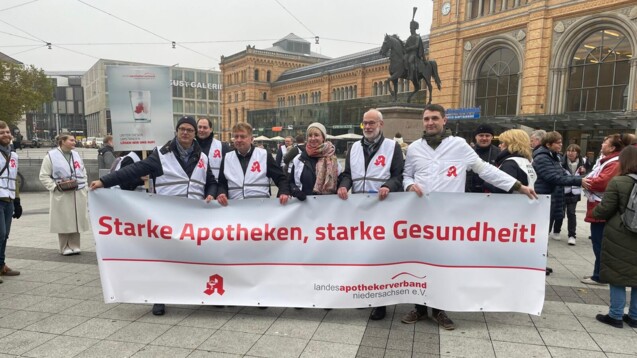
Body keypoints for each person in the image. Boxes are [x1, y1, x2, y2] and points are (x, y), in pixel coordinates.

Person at [401, 104, 537, 330]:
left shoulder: (459, 146)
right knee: (421, 262)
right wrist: (409, 184)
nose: (430, 123)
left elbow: (484, 169)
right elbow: (407, 174)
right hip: (421, 218)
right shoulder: (415, 148)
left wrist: (516, 185)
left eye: (434, 118)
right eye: (426, 119)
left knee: (443, 264)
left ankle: (440, 309)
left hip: (449, 219)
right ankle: (419, 307)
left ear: (444, 120)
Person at [90, 116, 218, 316]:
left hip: (194, 218)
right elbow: (134, 170)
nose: (185, 133)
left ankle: (205, 293)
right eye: (182, 129)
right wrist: (104, 181)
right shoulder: (161, 154)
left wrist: (211, 191)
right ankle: (160, 297)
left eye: (189, 130)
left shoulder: (203, 157)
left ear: (194, 134)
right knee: (165, 258)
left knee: (198, 257)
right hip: (166, 216)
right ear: (176, 131)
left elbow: (210, 180)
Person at [337, 109, 404, 321]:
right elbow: (347, 174)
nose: (367, 127)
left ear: (381, 125)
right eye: (365, 123)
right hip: (358, 209)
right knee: (360, 255)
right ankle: (363, 292)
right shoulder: (354, 147)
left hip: (382, 209)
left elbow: (399, 175)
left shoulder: (392, 147)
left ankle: (380, 302)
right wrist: (344, 186)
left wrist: (388, 185)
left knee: (379, 256)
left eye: (372, 123)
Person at [591, 145, 637, 329]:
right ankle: (634, 316)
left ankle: (616, 315)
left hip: (620, 234)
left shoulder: (618, 182)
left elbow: (605, 209)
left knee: (617, 275)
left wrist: (595, 211)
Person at [581, 134, 629, 285]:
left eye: (604, 142)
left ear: (612, 148)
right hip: (600, 207)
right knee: (598, 243)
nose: (601, 145)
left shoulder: (613, 163)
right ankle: (598, 273)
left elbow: (602, 183)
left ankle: (600, 276)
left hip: (602, 209)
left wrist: (584, 181)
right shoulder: (609, 161)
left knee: (600, 243)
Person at [39, 133, 89, 256]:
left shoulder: (76, 154)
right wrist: (55, 187)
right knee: (64, 219)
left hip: (78, 191)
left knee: (77, 218)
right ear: (62, 141)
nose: (74, 142)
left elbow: (83, 171)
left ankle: (75, 245)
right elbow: (43, 175)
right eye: (71, 140)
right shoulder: (51, 156)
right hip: (62, 192)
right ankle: (64, 246)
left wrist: (85, 186)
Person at [216, 122, 289, 206]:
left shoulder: (264, 155)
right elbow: (222, 183)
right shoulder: (227, 158)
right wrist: (221, 193)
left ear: (251, 139)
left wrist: (283, 192)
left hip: (260, 208)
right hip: (235, 208)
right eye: (236, 136)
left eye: (242, 136)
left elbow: (281, 178)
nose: (239, 140)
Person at [532, 132, 587, 243]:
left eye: (561, 142)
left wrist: (581, 179)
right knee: (541, 232)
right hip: (545, 198)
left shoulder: (554, 157)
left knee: (545, 231)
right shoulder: (542, 158)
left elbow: (563, 174)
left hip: (552, 198)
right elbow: (554, 178)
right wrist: (579, 181)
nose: (561, 145)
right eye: (558, 143)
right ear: (548, 144)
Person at [288, 122, 339, 199]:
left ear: (323, 138)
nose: (313, 138)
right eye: (310, 135)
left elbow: (341, 181)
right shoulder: (299, 159)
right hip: (304, 206)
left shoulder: (333, 159)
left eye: (316, 135)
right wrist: (295, 190)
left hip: (327, 206)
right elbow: (290, 181)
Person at [482, 129, 536, 193]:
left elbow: (503, 188)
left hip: (510, 201)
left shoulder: (510, 163)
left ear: (510, 144)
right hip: (524, 201)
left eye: (502, 143)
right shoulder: (526, 161)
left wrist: (487, 182)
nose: (499, 145)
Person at [0, 121, 21, 283]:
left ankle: (1, 265)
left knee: (5, 234)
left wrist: (17, 200)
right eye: (2, 133)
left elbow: (14, 179)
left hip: (9, 199)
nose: (6, 134)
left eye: (7, 132)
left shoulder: (14, 155)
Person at [555, 144, 587, 246]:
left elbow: (588, 175)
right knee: (560, 211)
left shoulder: (584, 162)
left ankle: (572, 235)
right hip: (563, 190)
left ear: (577, 153)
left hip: (575, 192)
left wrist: (584, 173)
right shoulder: (560, 162)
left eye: (573, 151)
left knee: (571, 213)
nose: (570, 153)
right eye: (569, 151)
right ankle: (556, 230)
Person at [466, 124, 501, 193]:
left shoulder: (498, 153)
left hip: (490, 194)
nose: (484, 138)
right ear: (476, 137)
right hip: (469, 193)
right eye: (481, 135)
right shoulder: (468, 152)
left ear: (492, 137)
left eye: (487, 135)